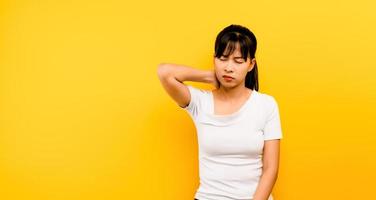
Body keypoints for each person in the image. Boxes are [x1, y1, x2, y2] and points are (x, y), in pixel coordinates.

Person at [157, 24, 283, 200]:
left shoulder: (266, 105)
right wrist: (207, 76)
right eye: (223, 59)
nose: (229, 67)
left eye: (238, 61)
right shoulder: (200, 102)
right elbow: (164, 72)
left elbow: (271, 168)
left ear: (250, 64)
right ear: (214, 59)